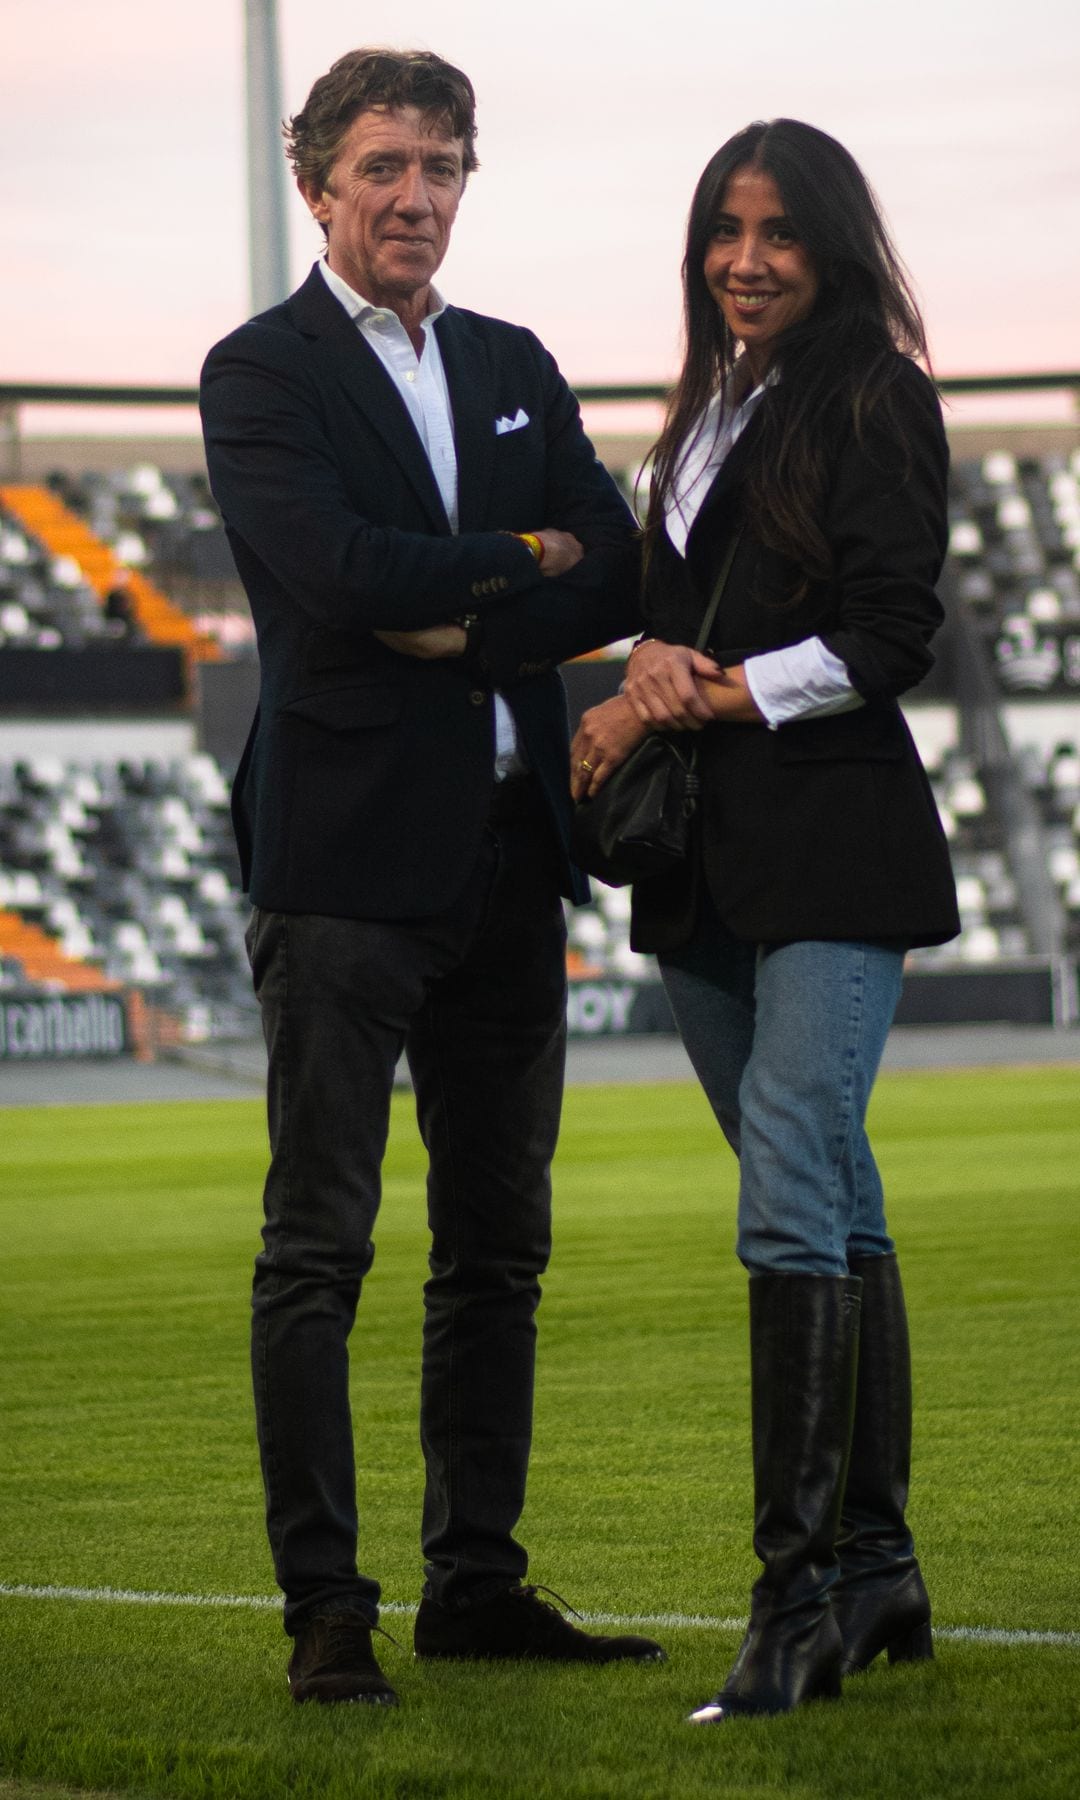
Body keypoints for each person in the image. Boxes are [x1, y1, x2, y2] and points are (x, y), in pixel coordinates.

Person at [200, 47, 661, 1707]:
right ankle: (327, 1605)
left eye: (444, 168)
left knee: (498, 1249)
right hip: (338, 869)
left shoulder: (513, 360)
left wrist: (466, 598)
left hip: (508, 859)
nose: (417, 197)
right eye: (385, 166)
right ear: (316, 179)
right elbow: (331, 579)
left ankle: (477, 1584)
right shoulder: (258, 372)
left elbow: (610, 566)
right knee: (318, 1250)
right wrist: (512, 566)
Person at [571, 119, 960, 1723]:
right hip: (706, 863)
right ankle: (878, 1573)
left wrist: (701, 690)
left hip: (835, 847)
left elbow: (888, 636)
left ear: (837, 249)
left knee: (792, 1185)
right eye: (726, 230)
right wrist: (647, 669)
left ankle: (789, 1603)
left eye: (782, 233)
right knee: (828, 1190)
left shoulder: (878, 393)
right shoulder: (704, 412)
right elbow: (677, 618)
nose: (749, 258)